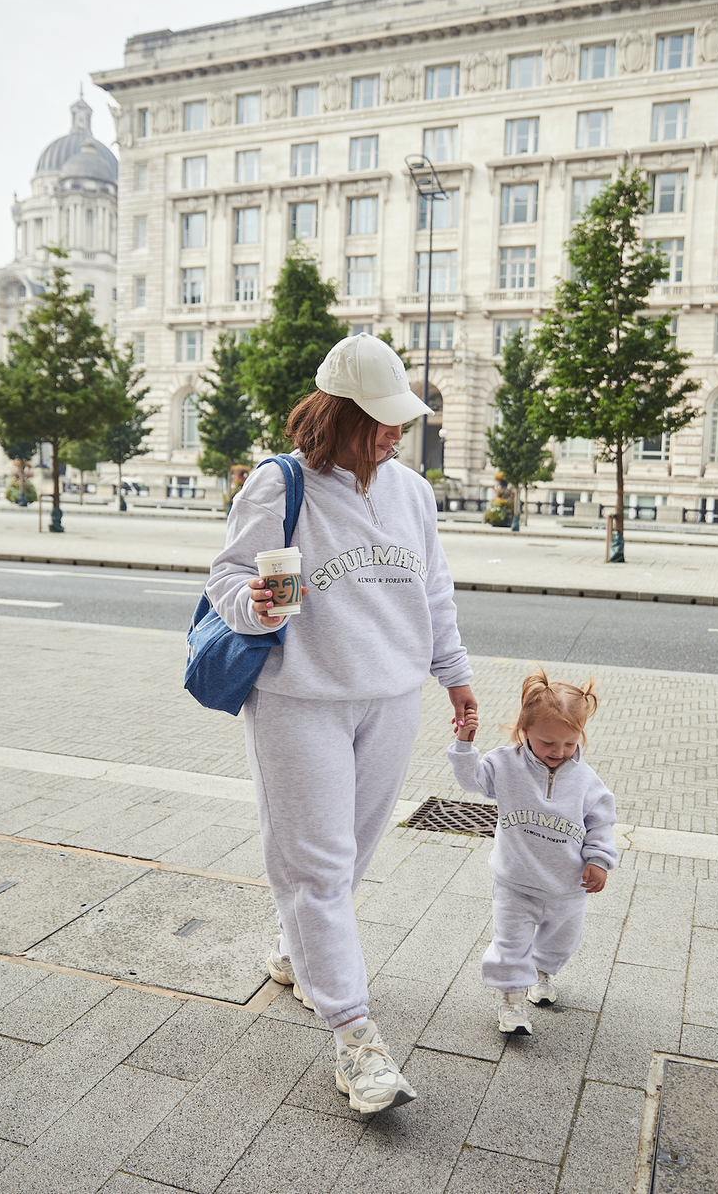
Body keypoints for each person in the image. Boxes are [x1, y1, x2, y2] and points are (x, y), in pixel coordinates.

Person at [206, 332, 476, 1112]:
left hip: (391, 698)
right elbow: (228, 578)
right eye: (383, 421)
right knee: (316, 866)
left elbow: (433, 594)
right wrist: (252, 608)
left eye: (401, 420)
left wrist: (453, 676)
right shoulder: (279, 483)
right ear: (341, 414)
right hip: (300, 700)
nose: (397, 434)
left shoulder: (412, 493)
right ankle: (356, 1040)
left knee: (350, 855)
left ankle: (296, 951)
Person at [446, 668, 617, 1036]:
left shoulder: (587, 781)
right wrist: (464, 744)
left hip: (566, 888)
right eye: (547, 743)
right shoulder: (505, 764)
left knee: (561, 943)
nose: (559, 752)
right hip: (515, 883)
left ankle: (543, 972)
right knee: (510, 945)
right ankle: (511, 1003)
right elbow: (471, 779)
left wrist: (599, 860)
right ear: (524, 731)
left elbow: (601, 822)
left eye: (569, 744)